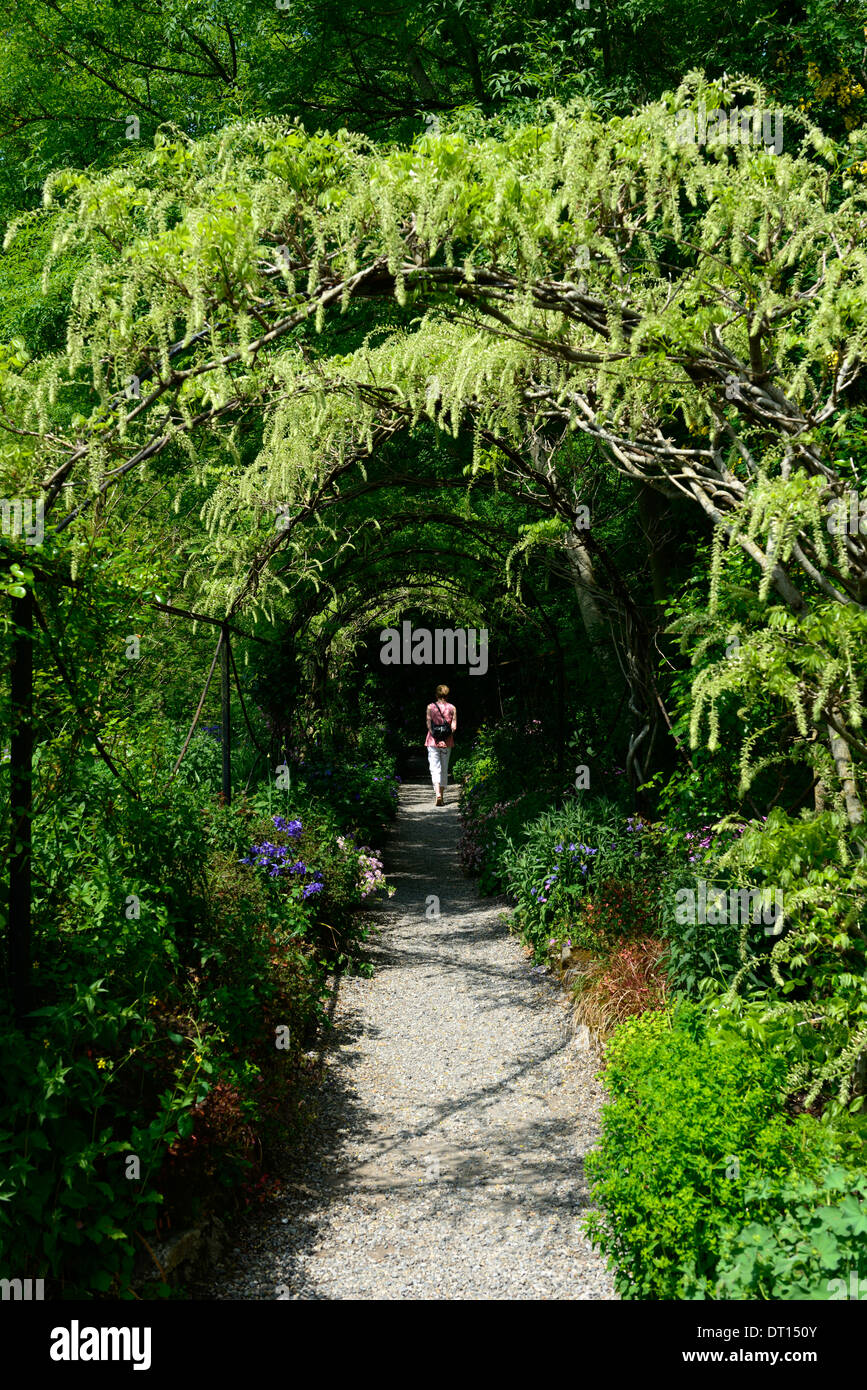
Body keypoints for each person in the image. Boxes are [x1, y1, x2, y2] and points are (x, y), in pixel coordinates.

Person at [425, 684, 456, 806]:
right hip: (447, 742)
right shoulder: (452, 708)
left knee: (434, 768)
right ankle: (441, 796)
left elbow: (429, 725)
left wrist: (437, 738)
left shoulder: (430, 707)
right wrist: (444, 739)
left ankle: (437, 794)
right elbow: (453, 727)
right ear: (447, 695)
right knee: (444, 768)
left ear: (436, 695)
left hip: (432, 742)